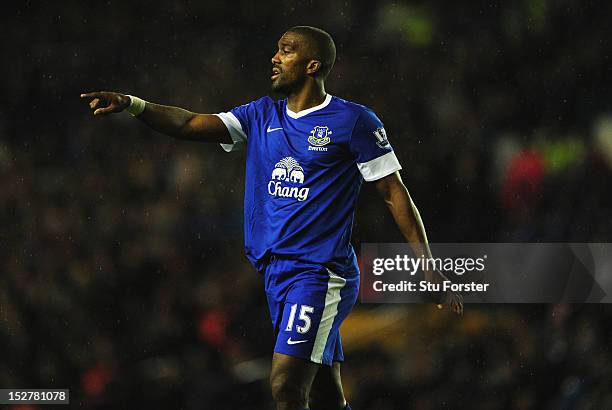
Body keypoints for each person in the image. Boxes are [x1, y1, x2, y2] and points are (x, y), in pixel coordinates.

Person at [81, 25, 462, 410]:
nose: (275, 57)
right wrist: (133, 104)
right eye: (277, 49)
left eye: (287, 50)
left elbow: (393, 192)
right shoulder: (261, 114)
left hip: (319, 274)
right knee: (324, 395)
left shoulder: (354, 121)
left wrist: (426, 265)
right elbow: (187, 123)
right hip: (274, 274)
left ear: (312, 65)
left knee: (284, 385)